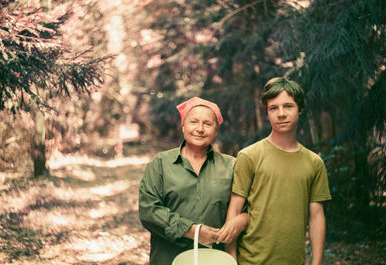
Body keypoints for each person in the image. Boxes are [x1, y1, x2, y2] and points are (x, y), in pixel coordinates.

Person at [218, 77, 332, 265]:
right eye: (273, 108)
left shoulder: (314, 162)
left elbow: (316, 216)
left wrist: (317, 262)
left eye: (288, 106)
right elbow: (235, 210)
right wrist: (231, 260)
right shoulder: (249, 156)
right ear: (267, 113)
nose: (281, 114)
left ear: (300, 109)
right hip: (251, 261)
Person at [139, 97, 247, 265]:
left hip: (215, 260)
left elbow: (250, 207)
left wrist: (241, 220)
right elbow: (149, 210)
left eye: (207, 124)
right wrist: (192, 231)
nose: (200, 129)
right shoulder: (160, 164)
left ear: (216, 130)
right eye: (193, 122)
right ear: (183, 126)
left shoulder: (231, 166)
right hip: (168, 258)